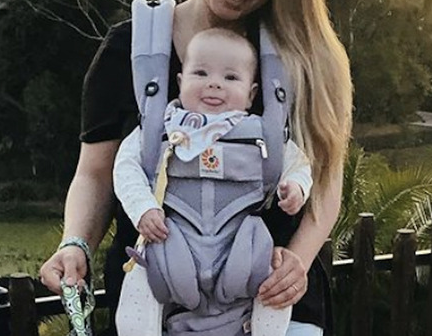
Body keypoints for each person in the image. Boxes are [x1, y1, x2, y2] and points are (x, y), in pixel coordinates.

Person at [39, 0, 353, 335]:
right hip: (159, 303)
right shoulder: (128, 50)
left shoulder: (302, 56)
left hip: (275, 309)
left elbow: (326, 178)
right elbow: (95, 173)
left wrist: (296, 261)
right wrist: (76, 244)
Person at [113, 28, 311, 335]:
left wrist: (296, 187)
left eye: (231, 78)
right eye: (201, 73)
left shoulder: (260, 133)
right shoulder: (160, 129)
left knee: (273, 275)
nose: (215, 83)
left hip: (240, 247)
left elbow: (298, 163)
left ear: (252, 94)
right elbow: (125, 167)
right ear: (180, 82)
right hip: (174, 241)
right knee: (141, 273)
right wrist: (143, 209)